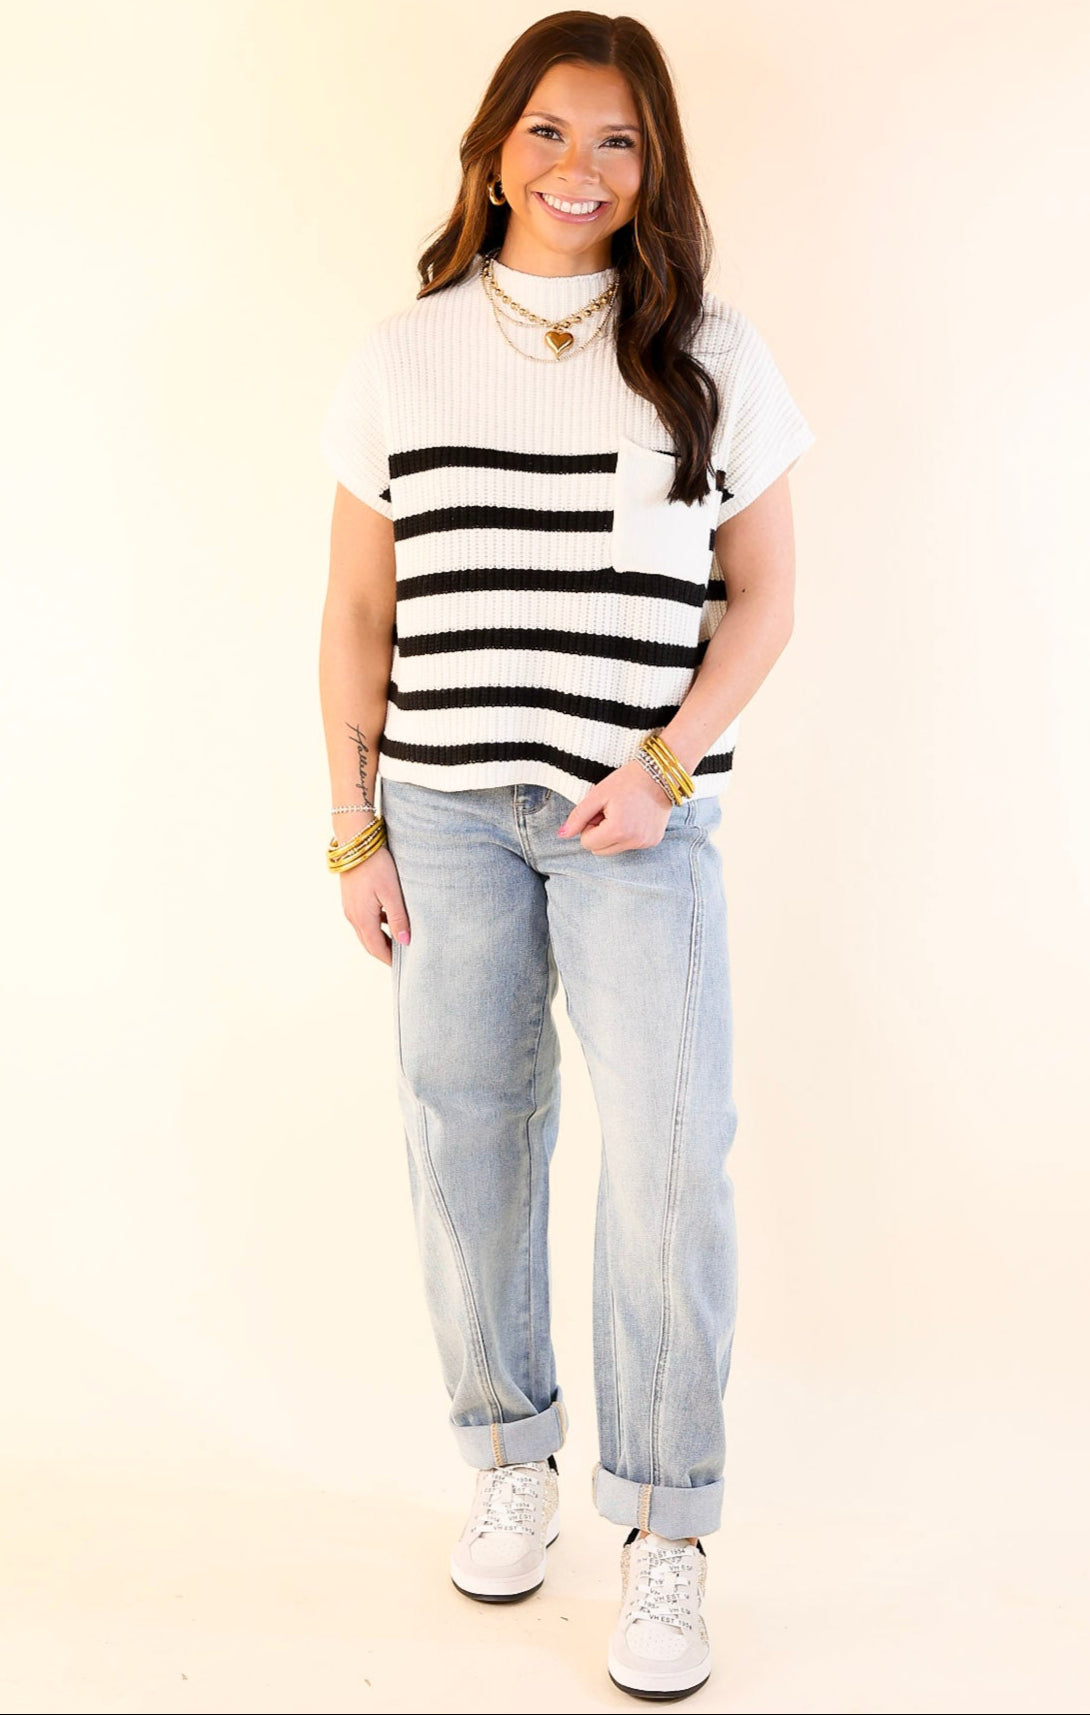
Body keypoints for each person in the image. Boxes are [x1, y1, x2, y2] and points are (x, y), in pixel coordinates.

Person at [317, 10, 813, 1700]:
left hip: (638, 827)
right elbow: (359, 615)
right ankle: (509, 1456)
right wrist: (355, 827)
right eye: (546, 132)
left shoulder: (714, 353)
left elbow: (767, 599)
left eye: (616, 139)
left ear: (652, 163)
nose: (578, 168)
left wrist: (662, 768)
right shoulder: (401, 359)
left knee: (672, 1162)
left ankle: (667, 1527)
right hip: (444, 818)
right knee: (467, 1138)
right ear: (492, 150)